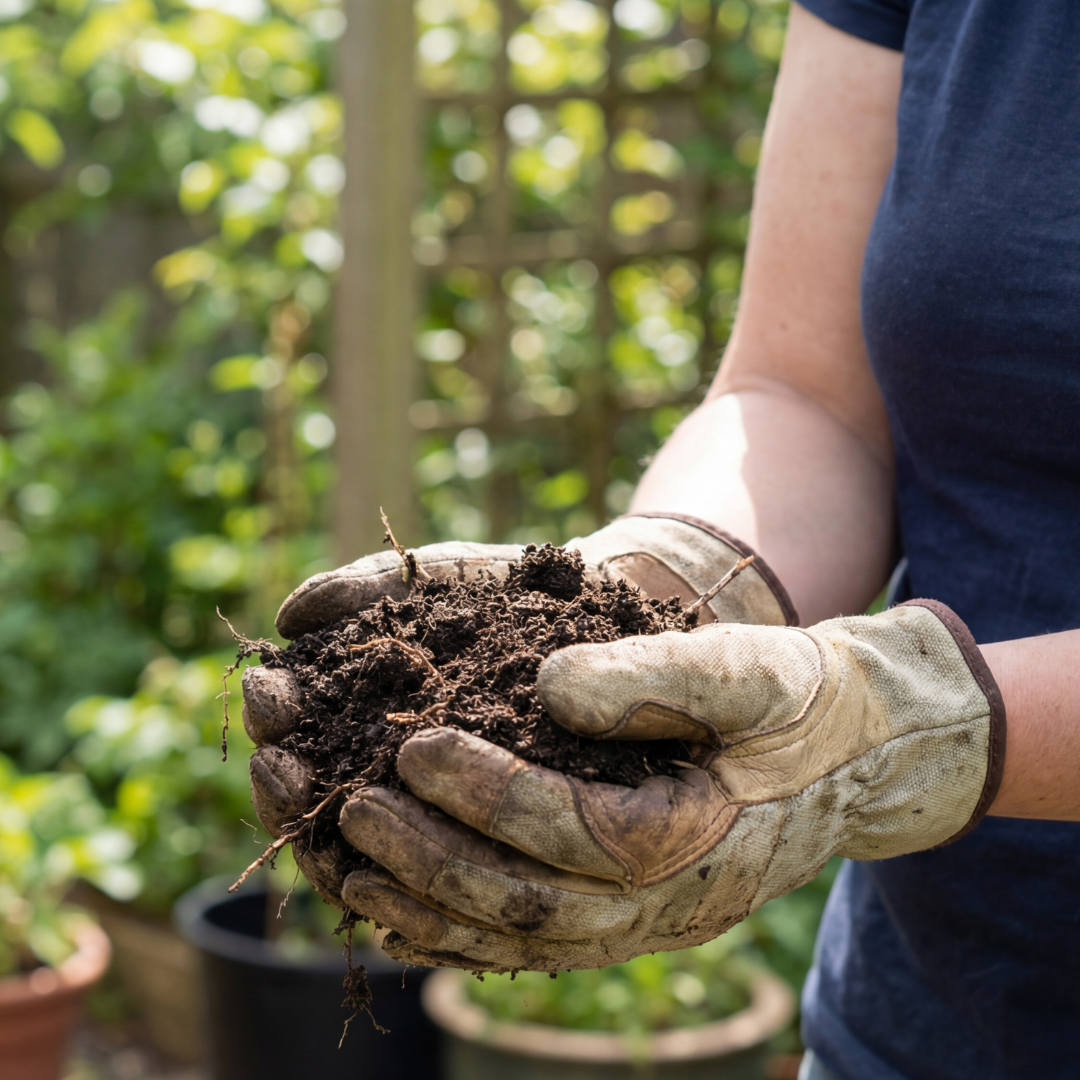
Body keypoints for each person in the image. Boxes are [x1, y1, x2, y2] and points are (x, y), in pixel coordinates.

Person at [241, 3, 1080, 1076]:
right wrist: (660, 588)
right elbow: (806, 394)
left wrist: (909, 729)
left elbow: (900, 726)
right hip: (929, 1023)